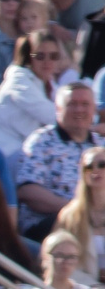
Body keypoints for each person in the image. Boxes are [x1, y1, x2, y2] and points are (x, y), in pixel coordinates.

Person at [17, 78, 100, 236]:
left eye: (85, 104)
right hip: (52, 224)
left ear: (94, 109)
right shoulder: (41, 141)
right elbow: (27, 191)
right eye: (72, 104)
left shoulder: (100, 145)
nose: (79, 110)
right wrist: (75, 209)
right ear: (58, 109)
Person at [0, 33, 85, 168]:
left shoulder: (49, 82)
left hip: (29, 149)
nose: (47, 62)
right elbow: (48, 114)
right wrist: (88, 125)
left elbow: (66, 107)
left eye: (54, 56)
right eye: (40, 56)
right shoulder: (18, 79)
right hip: (6, 152)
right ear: (29, 57)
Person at [49, 144, 105, 275]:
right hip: (82, 283)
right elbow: (52, 253)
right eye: (89, 167)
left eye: (102, 165)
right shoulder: (70, 215)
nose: (95, 170)